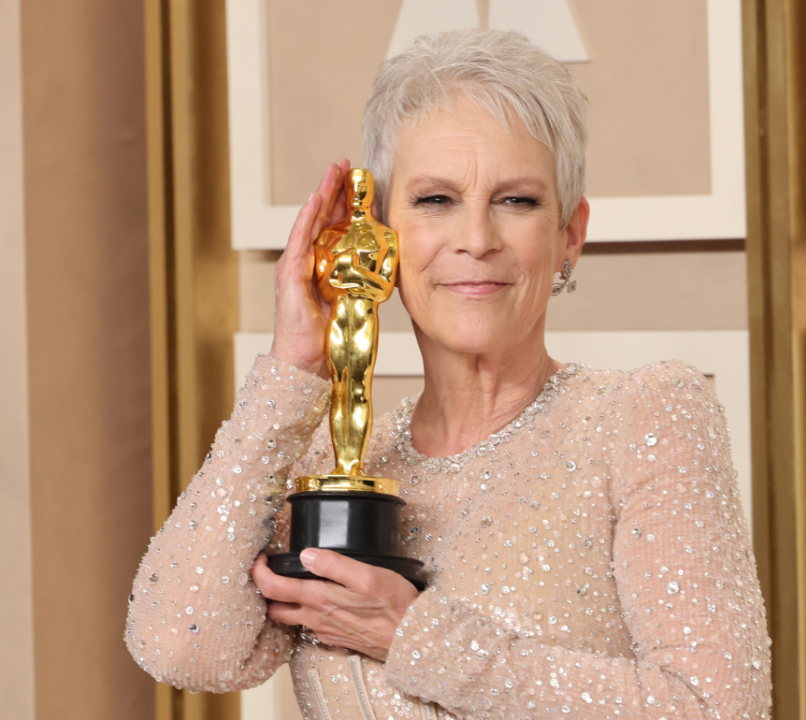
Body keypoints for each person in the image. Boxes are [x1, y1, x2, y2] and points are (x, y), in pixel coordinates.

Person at [126, 29, 771, 720]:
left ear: (569, 236)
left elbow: (716, 708)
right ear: (377, 233)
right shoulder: (334, 464)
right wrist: (294, 368)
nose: (477, 239)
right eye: (436, 200)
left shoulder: (641, 418)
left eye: (516, 200)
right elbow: (182, 647)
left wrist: (416, 637)